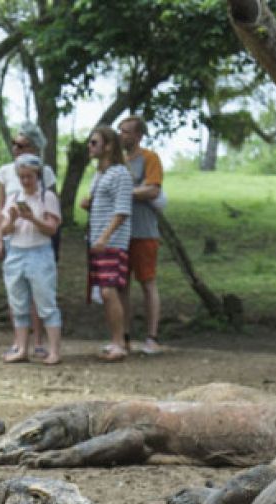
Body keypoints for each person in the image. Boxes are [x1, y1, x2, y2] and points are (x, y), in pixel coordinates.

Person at [0, 122, 58, 358]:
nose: (16, 148)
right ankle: (20, 343)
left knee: (41, 292)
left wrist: (35, 219)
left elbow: (49, 206)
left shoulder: (46, 174)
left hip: (39, 242)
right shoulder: (5, 172)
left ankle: (40, 341)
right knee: (18, 294)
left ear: (34, 146)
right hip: (15, 242)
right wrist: (0, 237)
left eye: (21, 144)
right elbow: (0, 209)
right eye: (13, 144)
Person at [79, 125, 132, 362]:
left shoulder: (120, 173)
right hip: (97, 239)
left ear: (108, 146)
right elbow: (106, 205)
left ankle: (119, 343)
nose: (89, 147)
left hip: (111, 242)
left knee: (109, 291)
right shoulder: (100, 175)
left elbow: (122, 211)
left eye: (94, 142)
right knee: (105, 291)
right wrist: (89, 206)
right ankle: (114, 340)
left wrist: (104, 237)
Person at [118, 115, 165, 355]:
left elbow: (154, 190)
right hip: (121, 231)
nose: (121, 135)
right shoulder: (117, 161)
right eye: (120, 131)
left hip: (144, 230)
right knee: (121, 285)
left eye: (126, 131)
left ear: (138, 135)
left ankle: (152, 336)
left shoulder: (150, 158)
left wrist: (127, 192)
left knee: (147, 282)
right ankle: (123, 336)